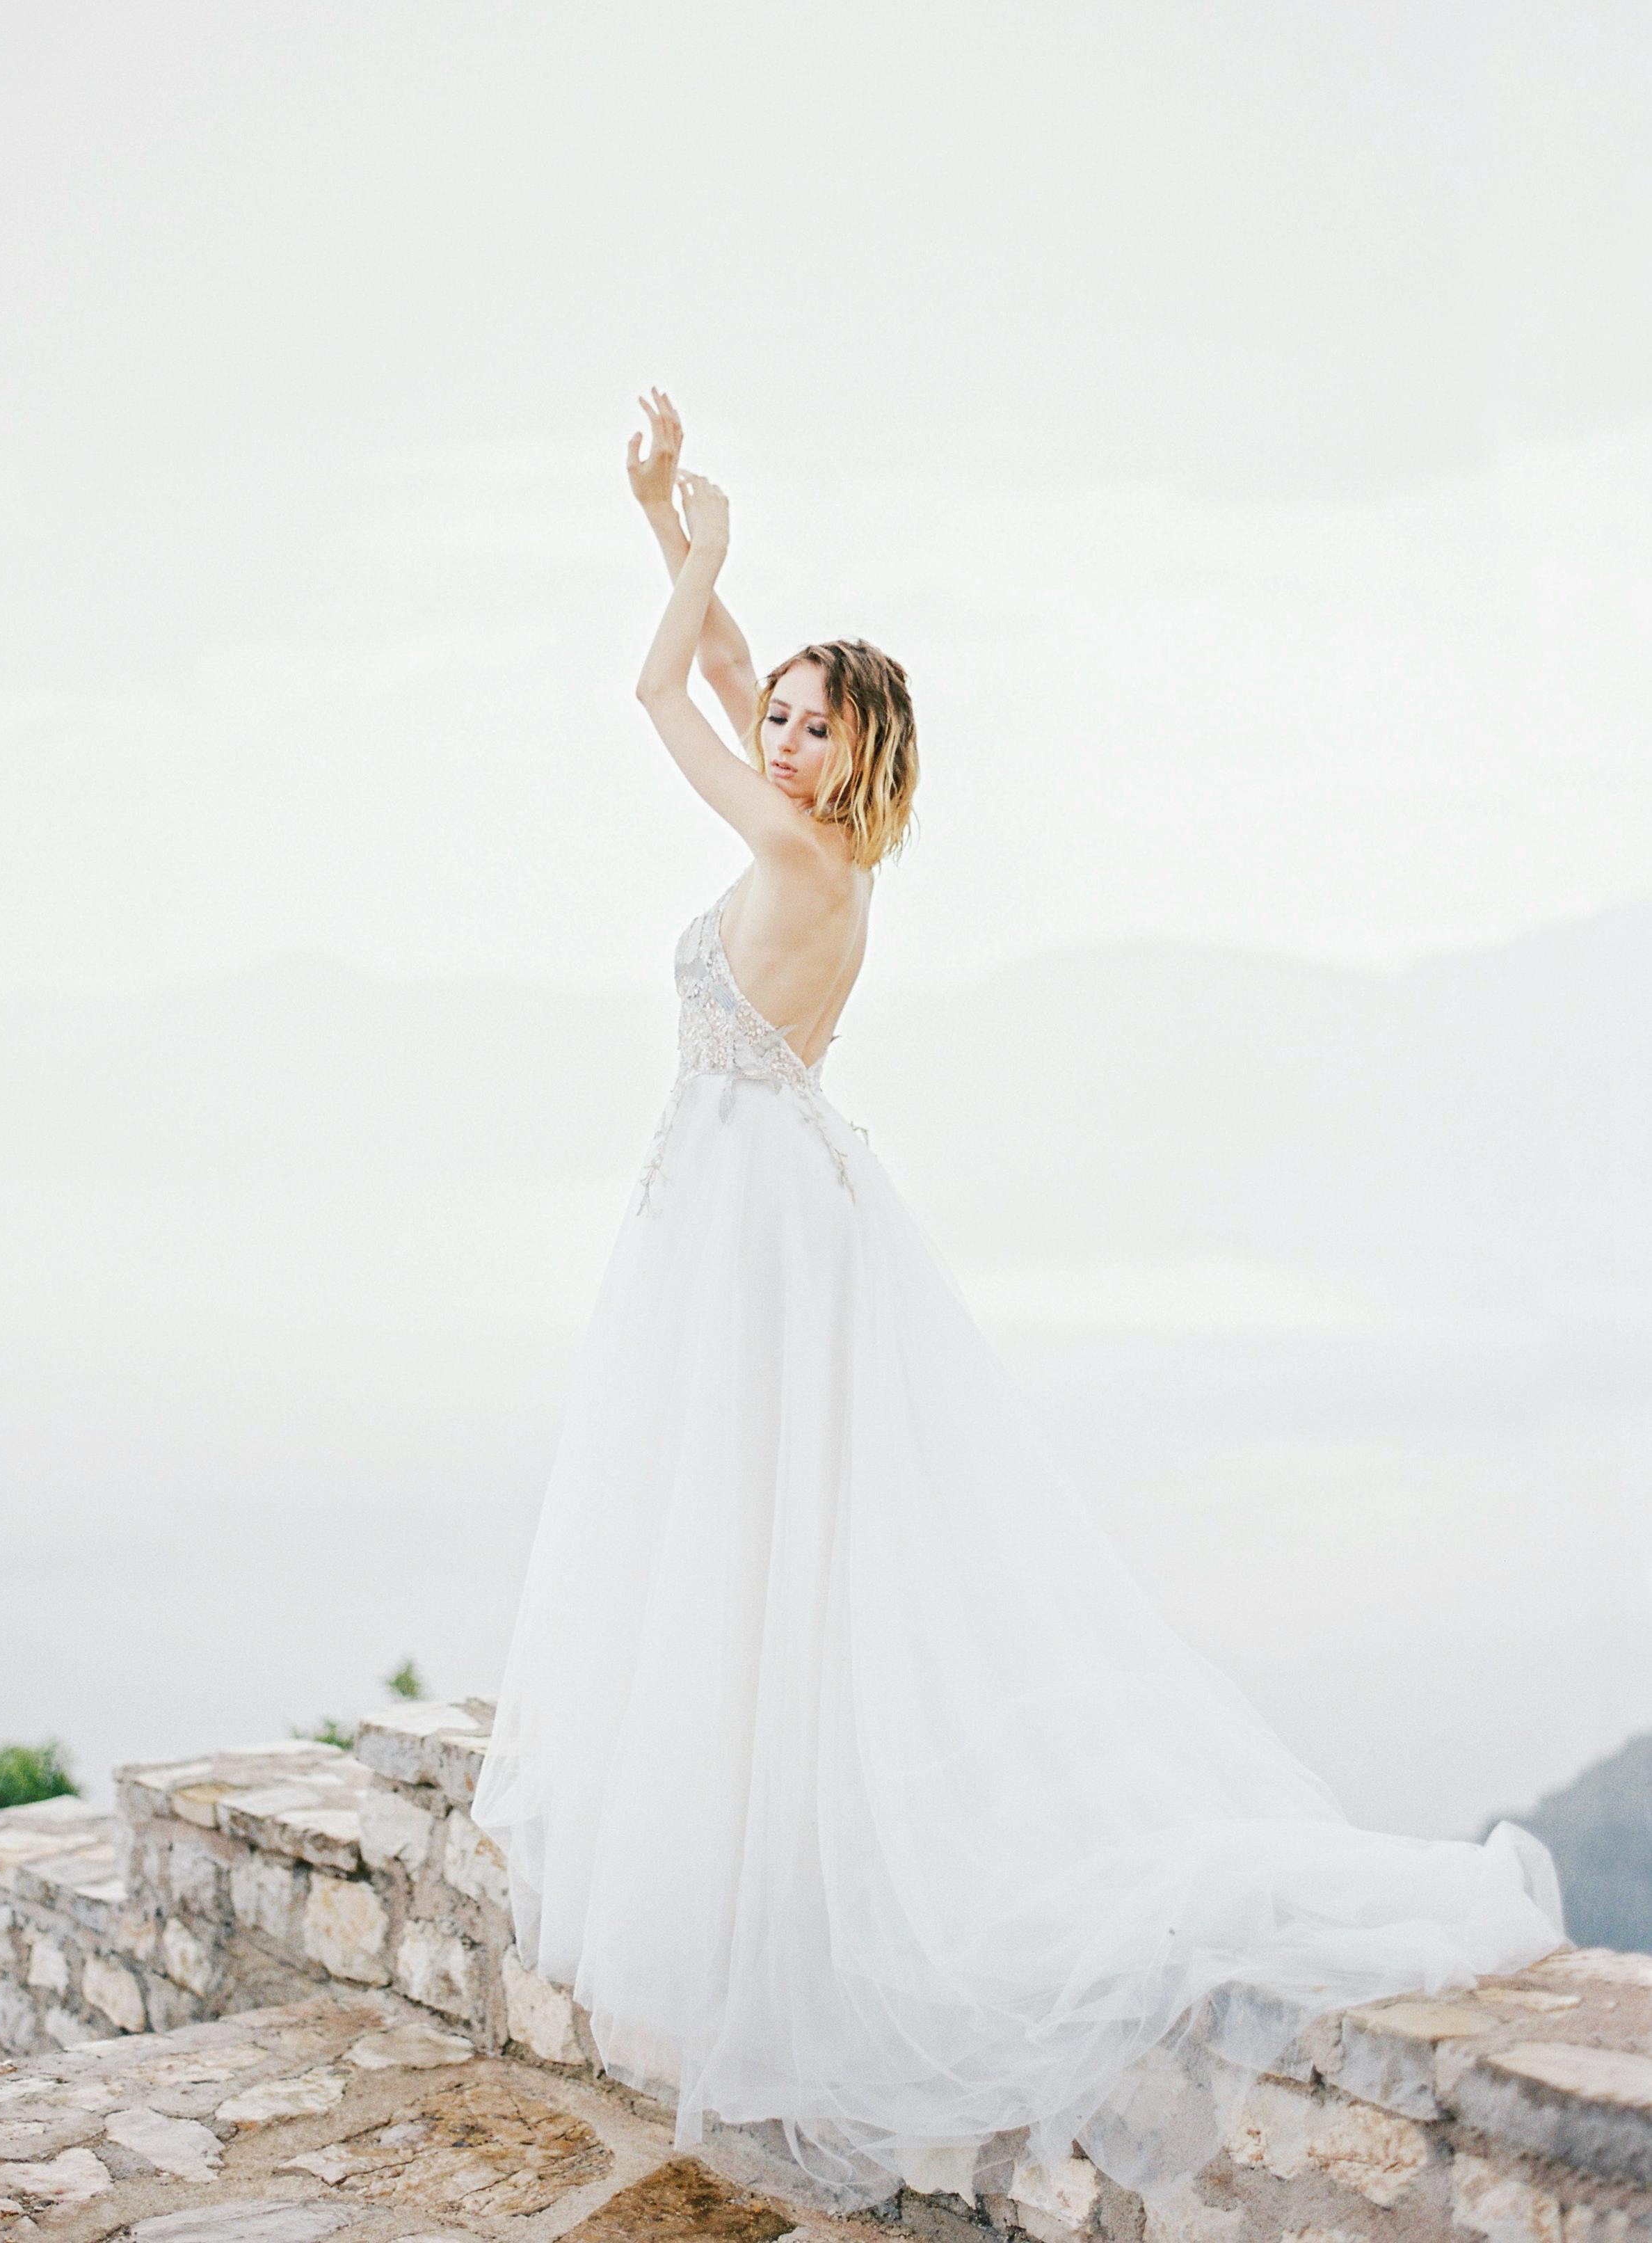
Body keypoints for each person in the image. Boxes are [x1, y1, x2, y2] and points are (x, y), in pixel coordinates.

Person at [470, 392, 1568, 2218]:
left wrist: (709, 565)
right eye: (785, 719)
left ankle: (802, 1915)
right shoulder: (808, 840)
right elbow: (720, 668)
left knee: (752, 1547)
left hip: (754, 1237)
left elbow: (662, 696)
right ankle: (772, 1866)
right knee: (744, 1555)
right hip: (753, 1215)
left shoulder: (804, 858)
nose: (782, 731)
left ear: (856, 757)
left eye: (816, 723)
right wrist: (669, 527)